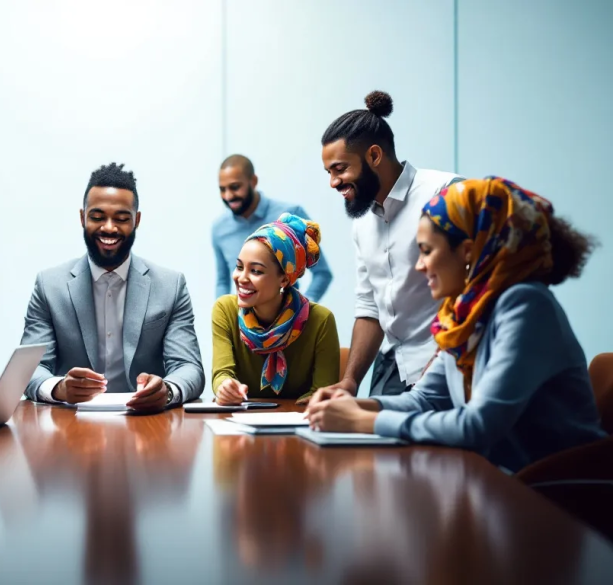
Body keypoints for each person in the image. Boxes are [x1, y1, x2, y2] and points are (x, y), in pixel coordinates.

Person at [305, 177, 606, 472]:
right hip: (501, 482)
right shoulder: (463, 314)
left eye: (426, 251)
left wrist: (362, 422)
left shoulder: (525, 304)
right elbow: (427, 399)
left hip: (554, 493)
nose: (419, 265)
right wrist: (356, 406)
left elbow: (478, 425)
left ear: (468, 252)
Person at [20, 162, 204, 411]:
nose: (109, 227)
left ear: (136, 220)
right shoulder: (49, 285)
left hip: (147, 423)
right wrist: (58, 388)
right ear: (82, 217)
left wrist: (168, 391)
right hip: (70, 424)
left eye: (121, 218)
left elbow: (189, 366)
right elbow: (30, 369)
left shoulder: (171, 285)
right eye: (97, 217)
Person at [317, 90, 463, 397]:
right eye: (329, 173)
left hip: (452, 362)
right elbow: (370, 308)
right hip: (395, 364)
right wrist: (350, 381)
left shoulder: (447, 192)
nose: (333, 182)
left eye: (340, 169)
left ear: (373, 155)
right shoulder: (362, 222)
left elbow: (479, 286)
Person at [212, 214, 339, 406]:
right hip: (239, 427)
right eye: (239, 267)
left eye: (256, 271)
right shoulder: (225, 310)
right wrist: (225, 387)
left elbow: (321, 395)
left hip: (301, 427)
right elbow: (222, 375)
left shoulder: (321, 320)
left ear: (285, 279)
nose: (241, 278)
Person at [212, 155, 332, 301]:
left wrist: (304, 311)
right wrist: (224, 315)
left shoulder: (291, 215)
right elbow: (223, 281)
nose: (228, 195)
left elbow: (322, 273)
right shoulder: (219, 229)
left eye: (235, 187)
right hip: (243, 321)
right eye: (222, 189)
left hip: (291, 318)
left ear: (253, 181)